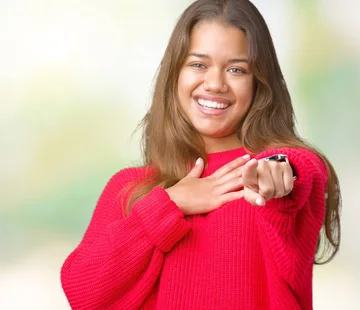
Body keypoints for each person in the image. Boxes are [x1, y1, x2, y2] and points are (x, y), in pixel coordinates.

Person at [60, 0, 341, 309]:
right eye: (198, 64)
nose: (215, 83)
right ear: (175, 74)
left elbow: (298, 170)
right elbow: (83, 294)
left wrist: (278, 171)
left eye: (236, 69)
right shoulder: (130, 190)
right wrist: (169, 204)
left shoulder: (267, 182)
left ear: (258, 83)